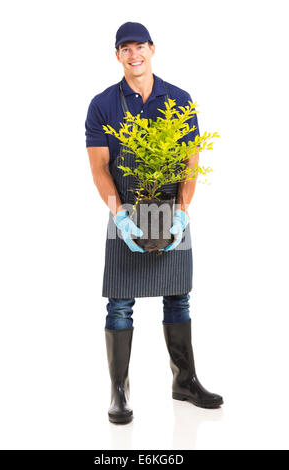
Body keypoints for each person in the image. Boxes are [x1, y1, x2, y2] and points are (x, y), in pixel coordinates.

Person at [85, 22, 223, 425]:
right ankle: (119, 390)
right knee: (119, 303)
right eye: (125, 48)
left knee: (178, 295)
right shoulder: (103, 105)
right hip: (125, 209)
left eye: (140, 46)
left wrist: (182, 211)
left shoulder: (178, 99)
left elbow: (190, 164)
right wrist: (120, 214)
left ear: (152, 49)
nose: (134, 54)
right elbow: (99, 168)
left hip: (169, 207)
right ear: (117, 56)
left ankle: (185, 380)